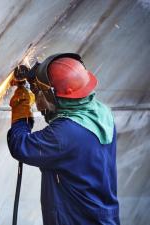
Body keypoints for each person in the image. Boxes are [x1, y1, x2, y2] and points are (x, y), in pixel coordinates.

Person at [7, 53, 120, 224]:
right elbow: (60, 111)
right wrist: (38, 83)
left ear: (55, 95)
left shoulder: (65, 134)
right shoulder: (101, 112)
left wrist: (21, 107)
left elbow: (20, 145)